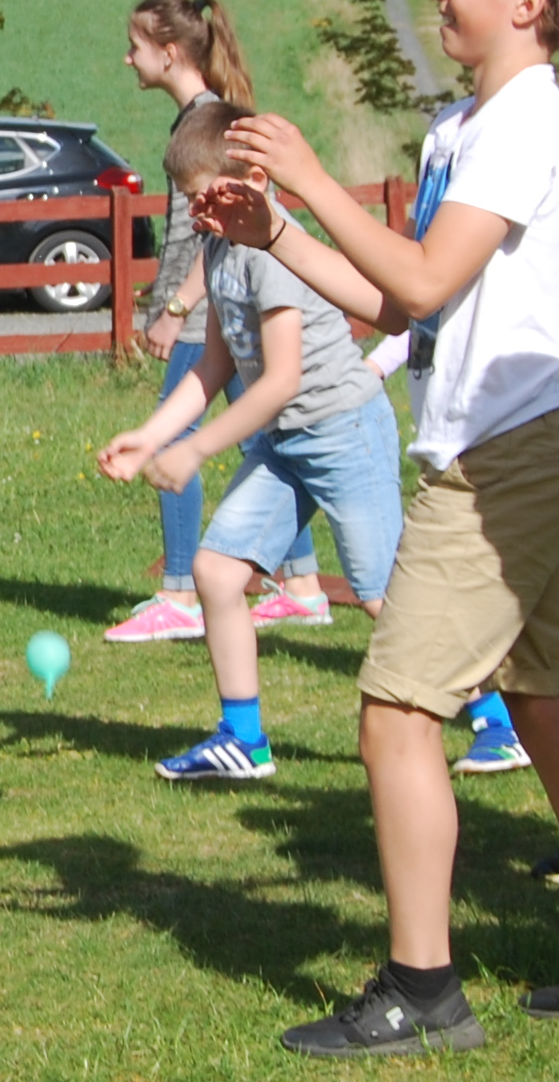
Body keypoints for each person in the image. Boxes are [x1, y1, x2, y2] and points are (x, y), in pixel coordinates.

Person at [214, 0, 559, 1054]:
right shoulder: (462, 129)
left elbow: (423, 279)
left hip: (508, 454)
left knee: (394, 713)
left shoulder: (525, 122)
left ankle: (421, 992)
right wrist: (274, 232)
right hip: (526, 441)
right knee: (541, 697)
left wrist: (309, 178)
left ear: (525, 1)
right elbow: (400, 303)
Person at [96, 97, 403, 781]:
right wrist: (149, 437)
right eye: (189, 203)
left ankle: (498, 718)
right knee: (215, 572)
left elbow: (281, 380)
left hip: (343, 433)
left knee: (383, 596)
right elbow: (215, 364)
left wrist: (196, 448)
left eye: (206, 198)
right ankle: (243, 740)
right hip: (285, 444)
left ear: (255, 182)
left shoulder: (271, 251)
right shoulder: (219, 246)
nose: (199, 214)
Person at [107, 0, 328, 645]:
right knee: (267, 444)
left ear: (170, 51)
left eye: (136, 46)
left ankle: (180, 592)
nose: (128, 59)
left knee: (182, 431)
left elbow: (230, 228)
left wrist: (176, 307)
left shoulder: (207, 125)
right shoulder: (199, 119)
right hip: (218, 312)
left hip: (213, 312)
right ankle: (303, 585)